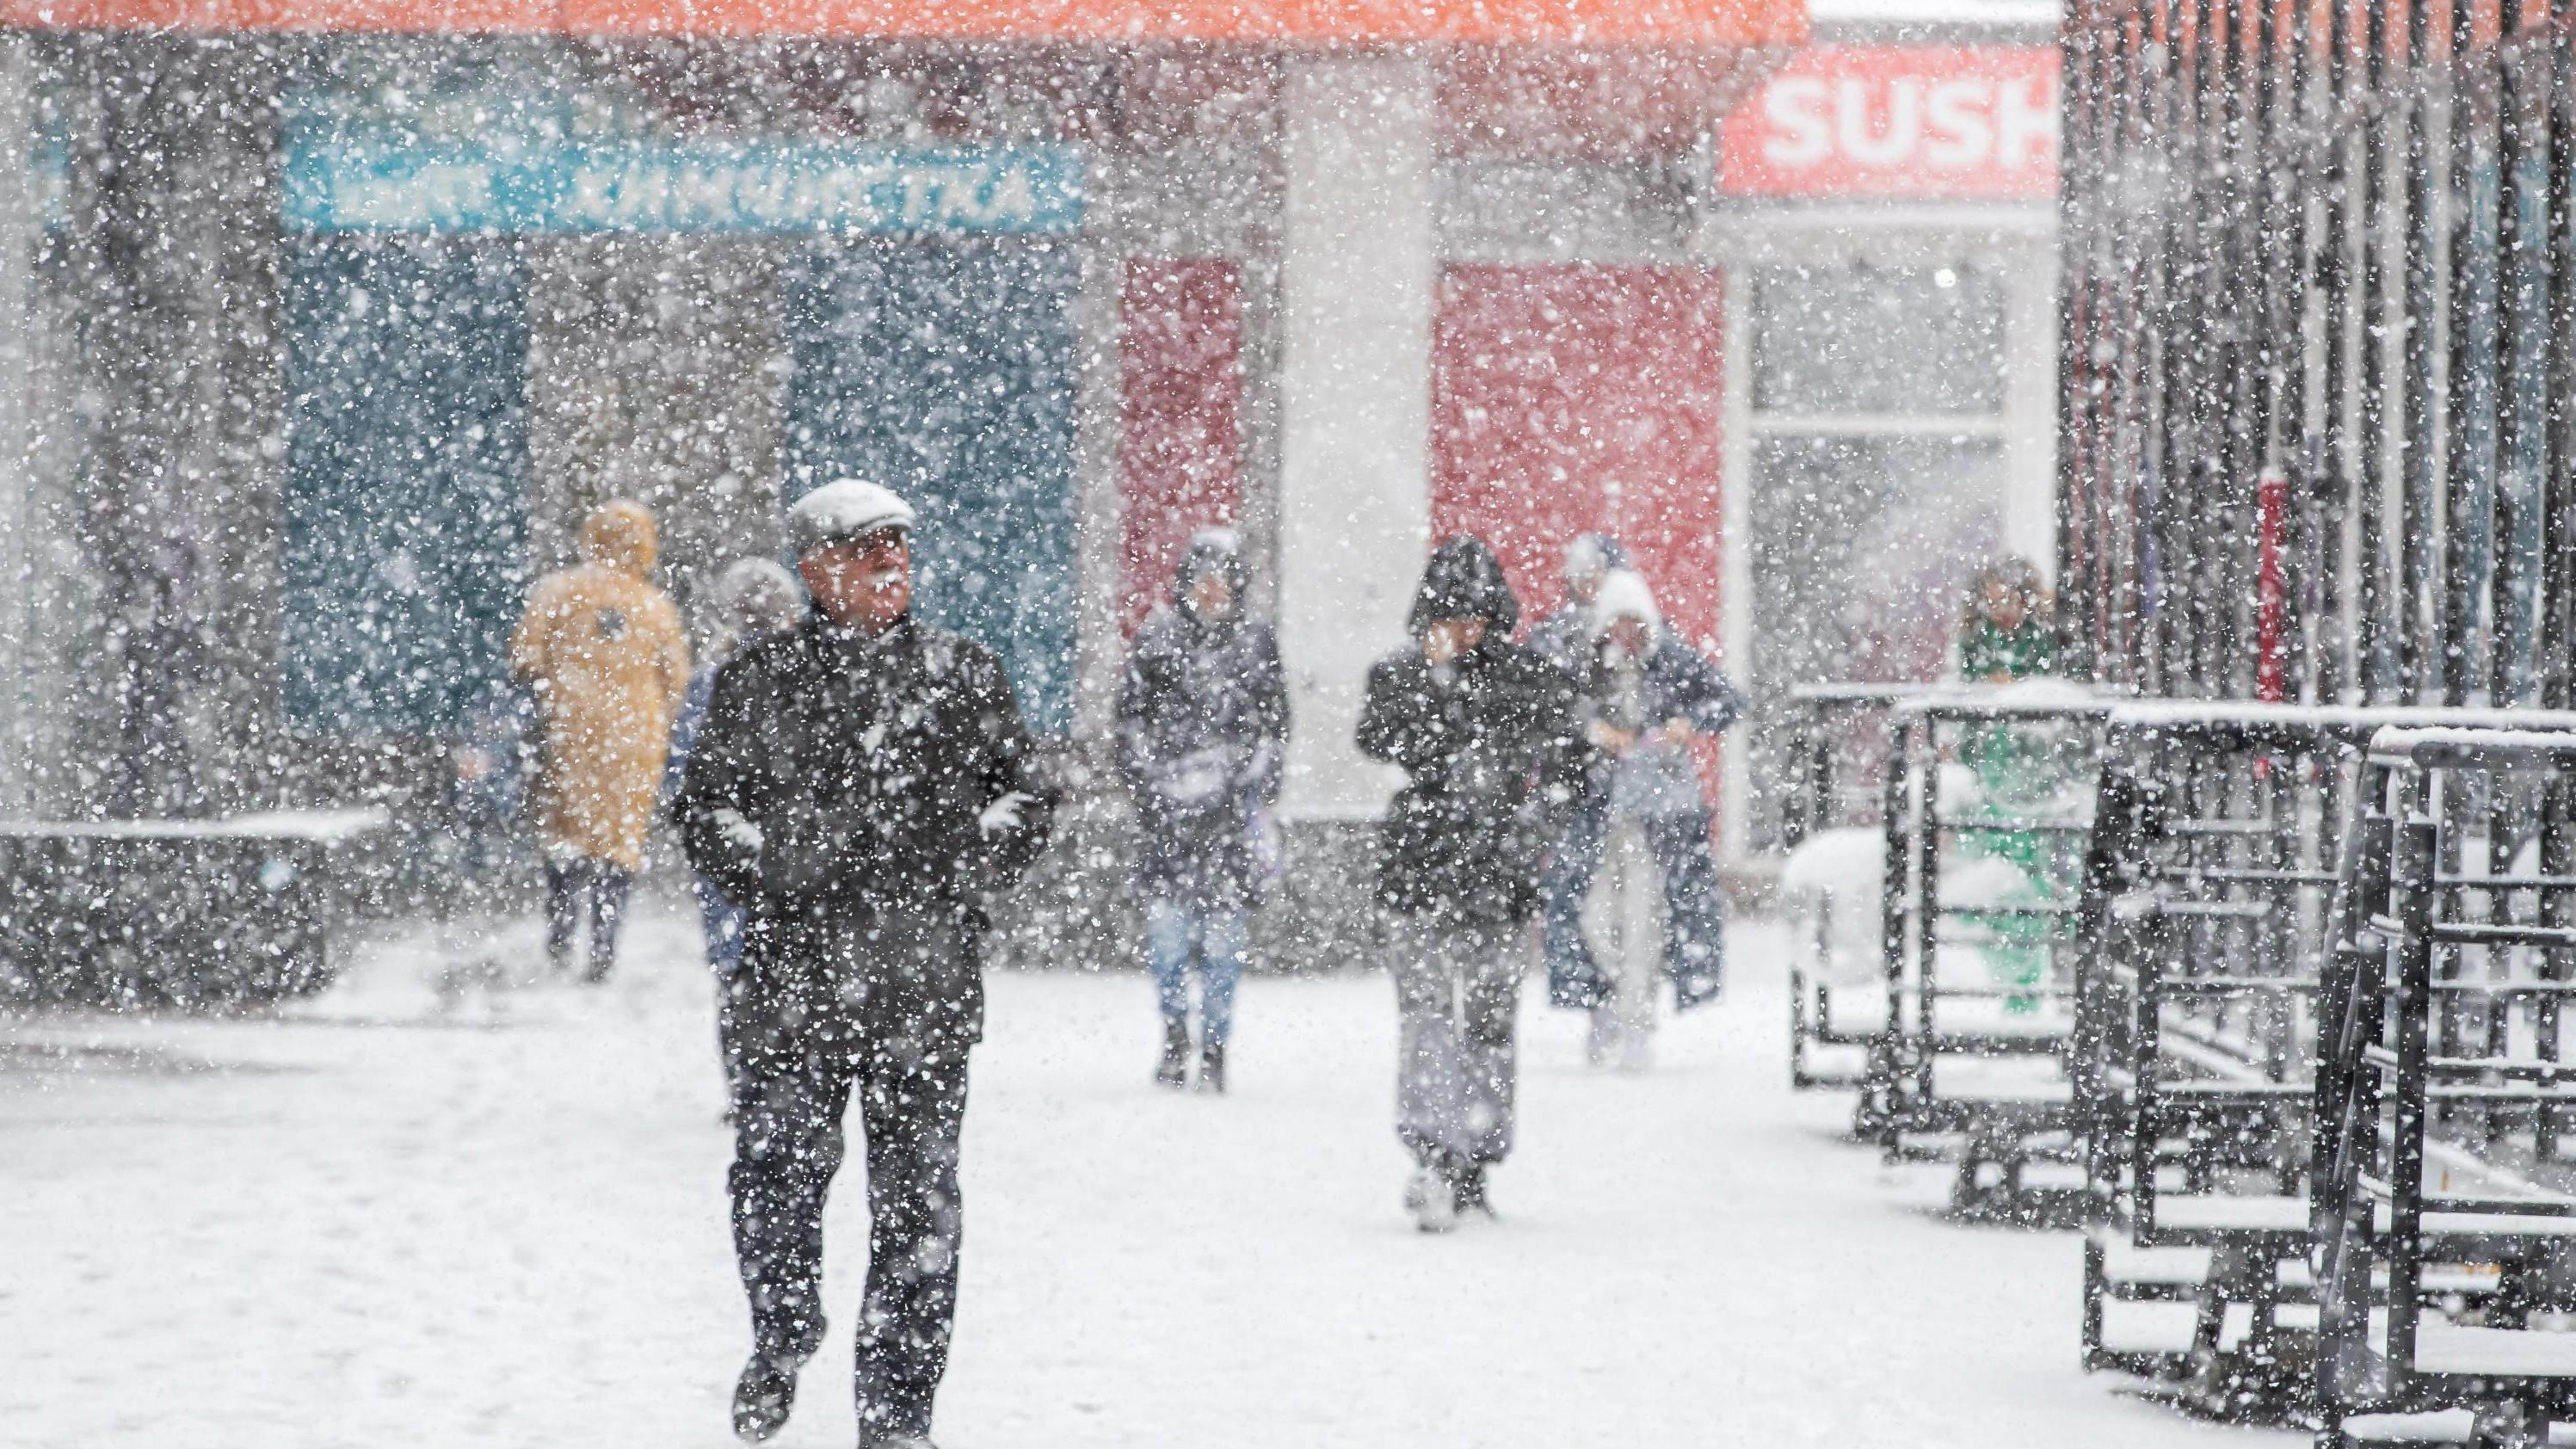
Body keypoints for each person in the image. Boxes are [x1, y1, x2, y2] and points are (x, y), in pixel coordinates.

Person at [675, 477, 1055, 1448]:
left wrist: (964, 870)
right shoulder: (760, 681)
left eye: (901, 546)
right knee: (774, 1180)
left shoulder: (964, 674)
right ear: (816, 569)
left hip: (923, 989)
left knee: (920, 1214)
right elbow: (707, 808)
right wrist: (772, 872)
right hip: (791, 985)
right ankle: (784, 1331)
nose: (892, 563)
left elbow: (1026, 799)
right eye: (867, 548)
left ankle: (897, 1419)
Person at [1357, 537, 1587, 1233]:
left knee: (1489, 1023)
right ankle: (1432, 1150)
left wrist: (1531, 828)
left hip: (1499, 881)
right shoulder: (1399, 677)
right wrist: (1430, 689)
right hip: (1419, 876)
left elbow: (1571, 768)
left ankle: (1476, 1158)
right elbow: (1378, 741)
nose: (1466, 632)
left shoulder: (1530, 681)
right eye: (1453, 617)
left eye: (1478, 618)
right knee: (1426, 1018)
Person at [1113, 527, 1289, 1094]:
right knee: (1166, 938)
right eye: (1203, 581)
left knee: (1222, 944)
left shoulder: (1256, 645)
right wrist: (1151, 788)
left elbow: (1275, 729)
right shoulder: (1157, 641)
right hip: (1168, 823)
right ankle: (1173, 1033)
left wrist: (1249, 786)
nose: (1213, 594)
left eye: (1223, 582)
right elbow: (1129, 724)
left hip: (1227, 825)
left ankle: (1215, 1045)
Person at [1551, 569, 1744, 1069]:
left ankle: (1636, 1021)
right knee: (1591, 920)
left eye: (1635, 625)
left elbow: (1726, 700)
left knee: (1642, 924)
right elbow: (1551, 710)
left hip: (1655, 816)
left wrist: (1687, 723)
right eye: (1618, 625)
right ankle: (1610, 1000)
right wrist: (1595, 731)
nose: (1627, 636)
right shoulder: (1584, 665)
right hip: (1595, 815)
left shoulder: (1670, 660)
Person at [509, 499, 691, 983]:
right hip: (635, 742)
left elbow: (525, 657)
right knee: (620, 843)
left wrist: (563, 685)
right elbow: (676, 679)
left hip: (569, 733)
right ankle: (603, 952)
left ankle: (560, 940)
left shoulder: (556, 593)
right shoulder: (655, 606)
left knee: (565, 837)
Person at [665, 557, 808, 1116]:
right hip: (801, 854)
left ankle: (748, 1086)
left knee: (738, 970)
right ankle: (790, 1084)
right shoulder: (816, 679)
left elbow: (682, 771)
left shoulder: (710, 682)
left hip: (730, 854)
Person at [1525, 532, 1628, 675]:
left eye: (1598, 570)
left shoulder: (1641, 627)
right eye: (1583, 571)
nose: (1590, 580)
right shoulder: (1551, 633)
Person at [1957, 554, 2056, 682]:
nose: (2000, 611)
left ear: (2025, 600)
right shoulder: (1977, 635)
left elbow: (2050, 679)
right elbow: (1967, 679)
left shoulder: (2040, 634)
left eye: (2008, 601)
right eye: (1992, 603)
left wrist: (2017, 682)